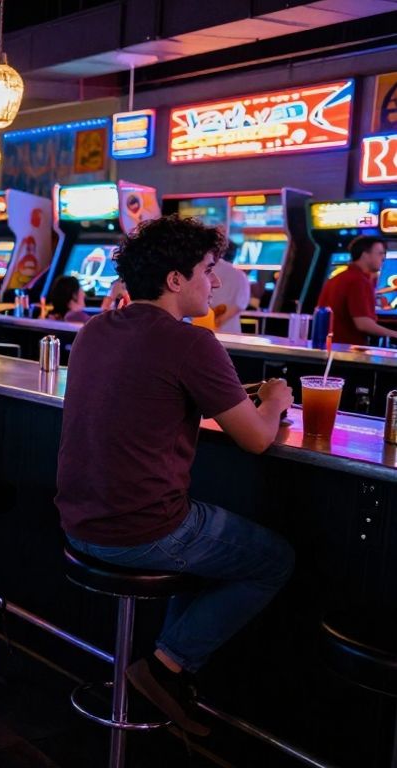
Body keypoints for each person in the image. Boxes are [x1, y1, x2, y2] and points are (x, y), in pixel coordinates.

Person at [55, 215, 295, 737]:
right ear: (175, 281)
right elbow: (255, 439)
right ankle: (166, 669)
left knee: (206, 540)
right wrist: (275, 401)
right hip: (138, 533)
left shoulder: (96, 329)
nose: (214, 282)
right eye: (207, 270)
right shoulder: (191, 342)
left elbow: (150, 396)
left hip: (77, 523)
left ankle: (166, 673)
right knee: (274, 560)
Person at [317, 235, 397, 346]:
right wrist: (393, 334)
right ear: (365, 255)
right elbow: (363, 324)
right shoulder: (358, 281)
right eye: (379, 253)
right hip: (348, 352)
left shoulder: (337, 278)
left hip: (330, 348)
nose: (383, 258)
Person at [210, 241, 250, 335]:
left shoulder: (208, 269)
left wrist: (215, 320)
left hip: (207, 325)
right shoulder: (240, 276)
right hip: (231, 329)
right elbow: (241, 304)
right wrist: (222, 320)